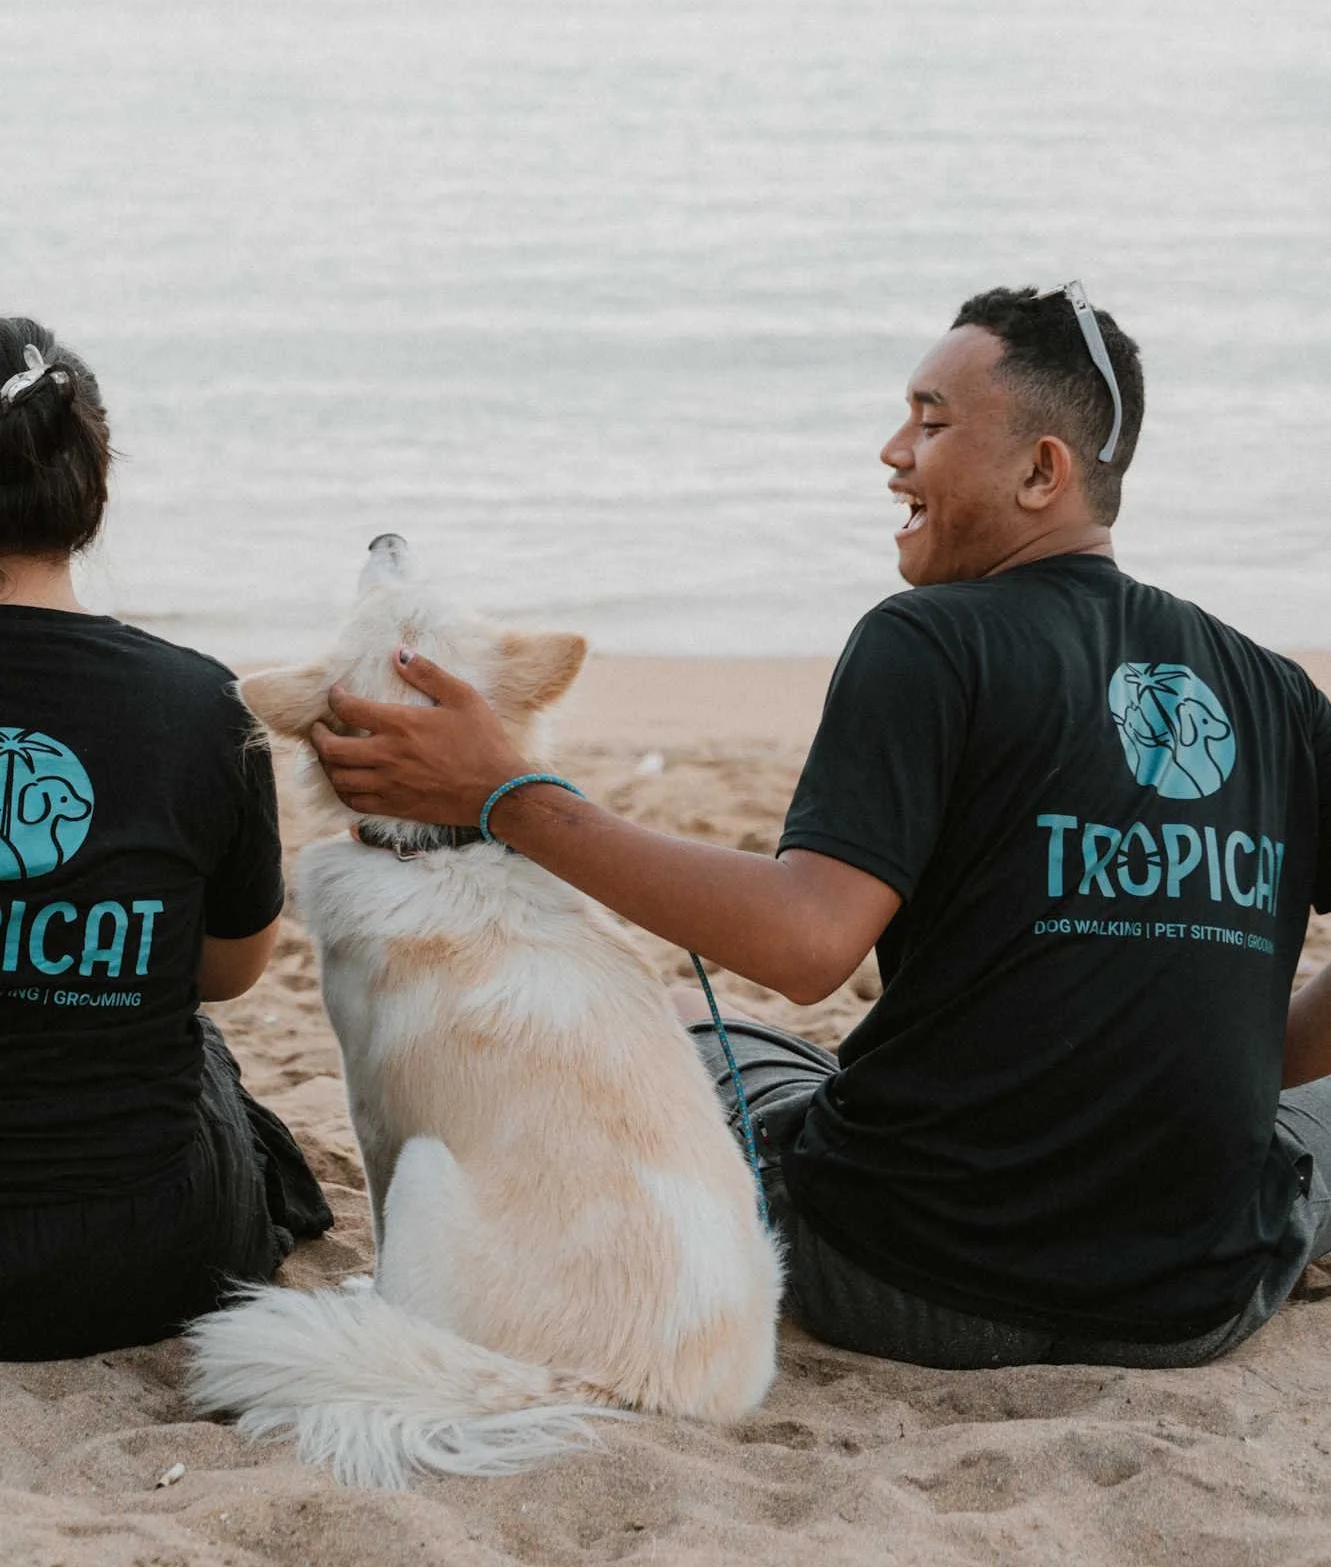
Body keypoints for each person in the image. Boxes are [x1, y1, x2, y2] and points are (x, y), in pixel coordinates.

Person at [311, 283, 1331, 1372]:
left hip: (907, 1280)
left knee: (685, 1027)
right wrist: (1249, 1065)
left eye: (931, 422)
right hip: (1196, 1298)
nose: (893, 452)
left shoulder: (928, 640)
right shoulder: (1269, 687)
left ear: (1042, 472)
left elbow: (804, 946)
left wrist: (504, 793)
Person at [0, 316, 330, 1359]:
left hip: (123, 1248)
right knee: (192, 1044)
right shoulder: (198, 705)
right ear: (92, 484)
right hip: (133, 1257)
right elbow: (227, 974)